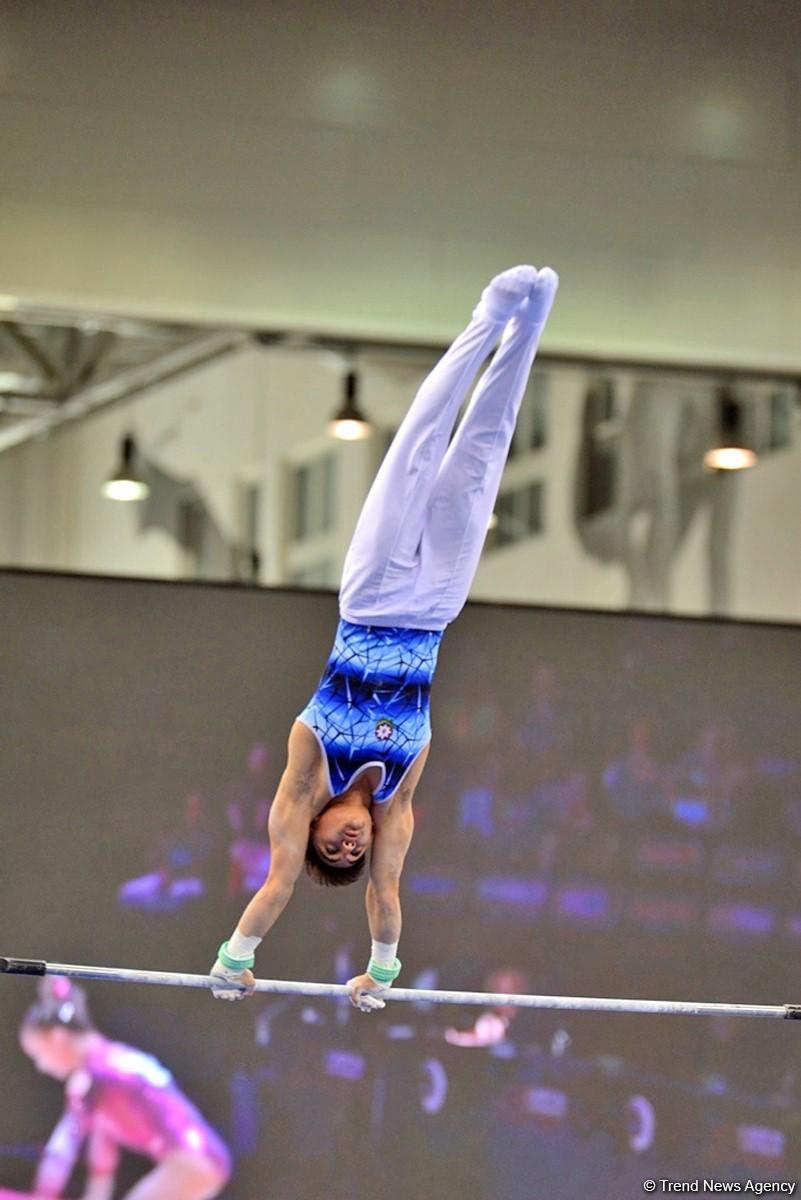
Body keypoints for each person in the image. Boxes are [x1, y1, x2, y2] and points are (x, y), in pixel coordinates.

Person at [210, 264, 559, 1013]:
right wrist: (383, 970)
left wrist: (235, 958)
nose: (350, 846)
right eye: (352, 854)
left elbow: (275, 882)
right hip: (433, 608)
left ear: (309, 827)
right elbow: (388, 892)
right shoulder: (398, 796)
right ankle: (530, 323)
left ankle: (487, 315)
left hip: (370, 598)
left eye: (330, 847)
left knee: (420, 446)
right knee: (479, 460)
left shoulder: (308, 773)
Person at [18, 978, 230, 1200]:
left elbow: (61, 1151)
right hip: (200, 1158)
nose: (41, 1067)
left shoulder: (94, 1078)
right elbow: (104, 1148)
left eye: (37, 1055)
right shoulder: (111, 1060)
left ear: (57, 1038)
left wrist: (43, 1195)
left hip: (189, 1162)